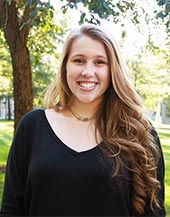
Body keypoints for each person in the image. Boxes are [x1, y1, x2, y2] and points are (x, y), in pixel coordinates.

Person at [0, 23, 165, 217]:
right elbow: (11, 209)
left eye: (99, 62)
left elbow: (154, 212)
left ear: (113, 70)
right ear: (65, 66)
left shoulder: (139, 133)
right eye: (79, 60)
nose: (88, 71)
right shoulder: (32, 126)